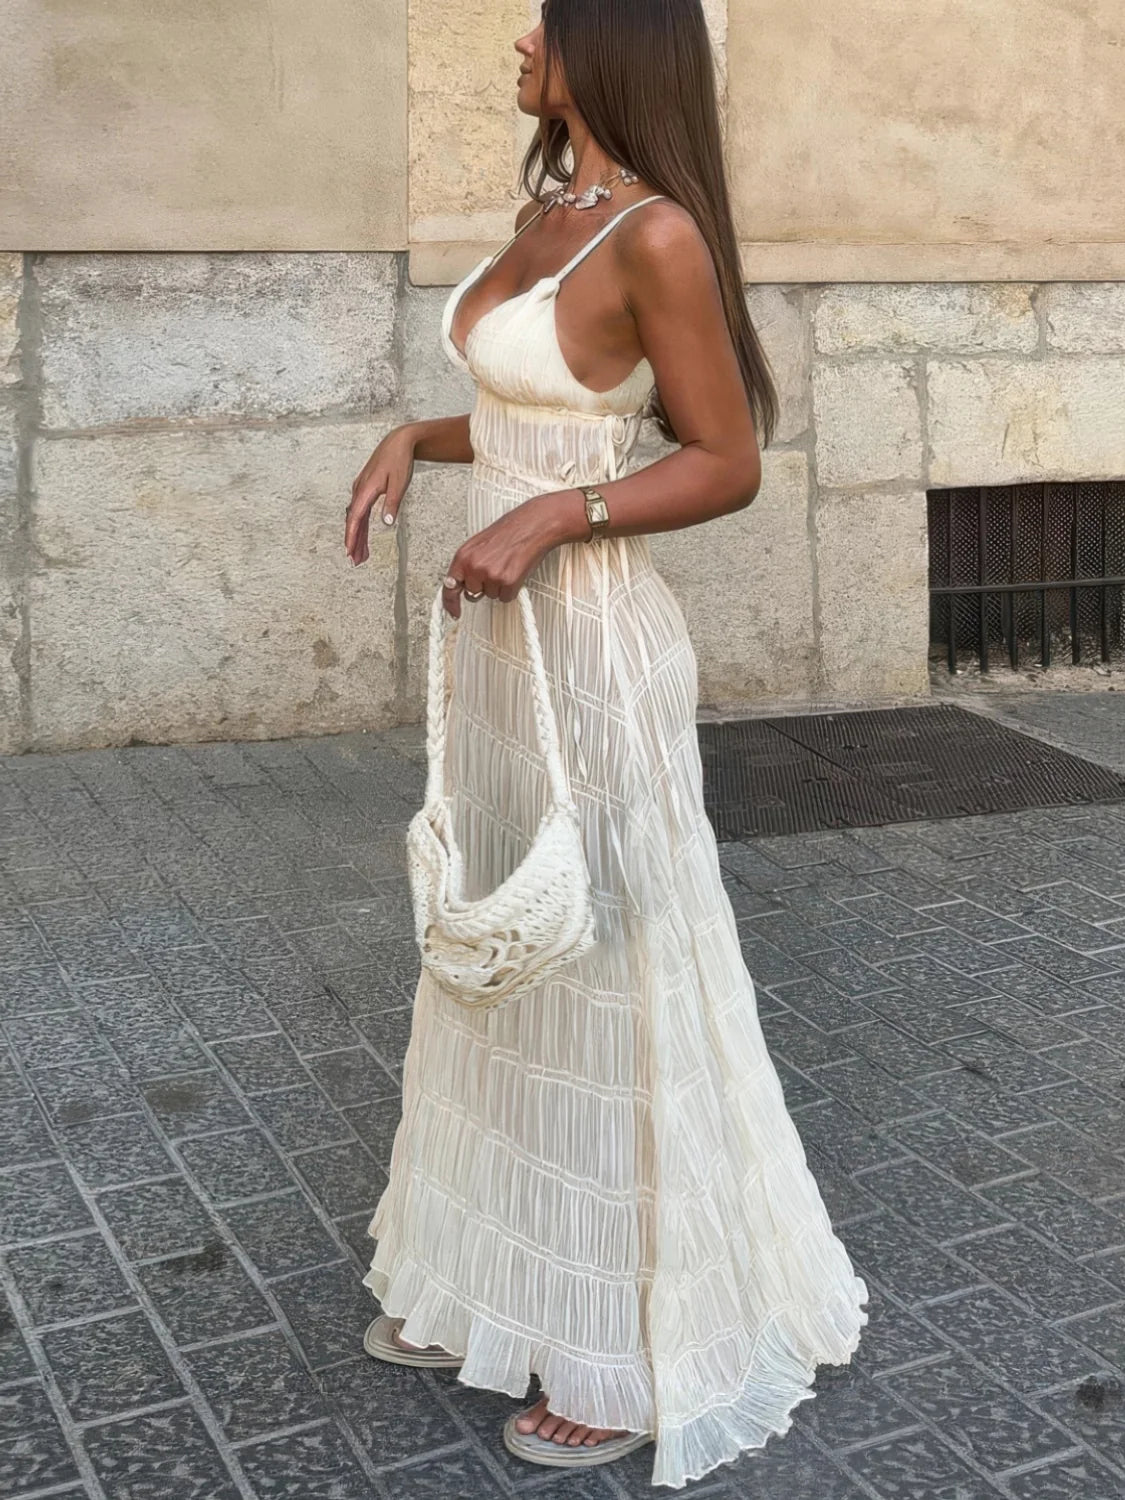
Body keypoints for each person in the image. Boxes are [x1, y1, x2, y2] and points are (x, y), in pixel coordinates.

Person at [343, 0, 867, 1488]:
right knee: (503, 943)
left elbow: (722, 460)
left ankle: (634, 1348)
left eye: (546, 21)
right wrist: (421, 441)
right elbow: (535, 414)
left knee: (613, 963)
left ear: (611, 45)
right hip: (502, 648)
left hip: (592, 651)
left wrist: (550, 516)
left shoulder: (654, 235)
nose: (518, 38)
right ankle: (494, 1287)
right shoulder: (549, 206)